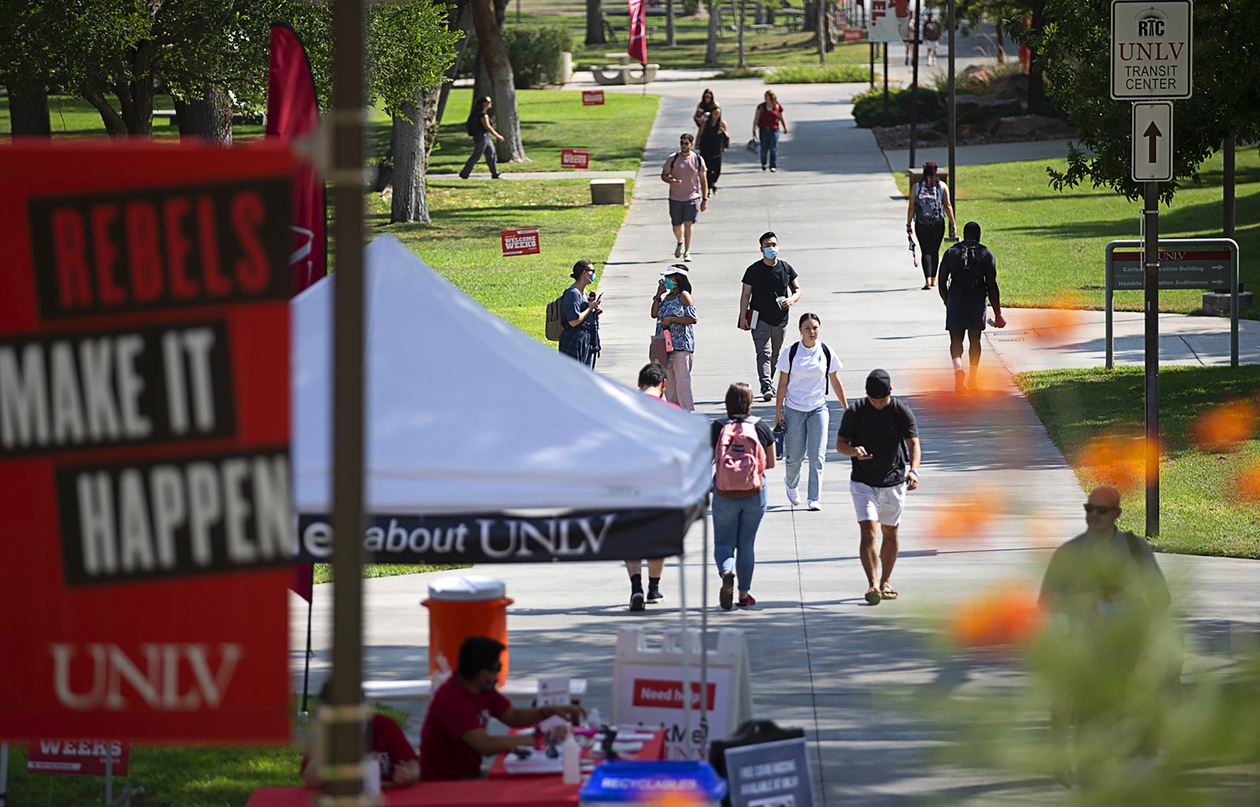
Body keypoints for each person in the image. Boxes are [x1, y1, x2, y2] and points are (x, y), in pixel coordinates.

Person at [1038, 486, 1177, 788]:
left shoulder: (1137, 551)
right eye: (1090, 509)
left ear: (1117, 514)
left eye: (1102, 510)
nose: (1094, 516)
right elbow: (1046, 604)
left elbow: (1160, 599)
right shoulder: (1070, 553)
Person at [419, 636, 585, 781]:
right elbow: (486, 745)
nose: (498, 675)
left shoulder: (479, 689)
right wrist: (540, 739)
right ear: (483, 673)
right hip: (445, 783)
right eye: (497, 668)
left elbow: (513, 716)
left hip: (466, 775)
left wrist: (549, 710)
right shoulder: (452, 700)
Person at [835, 369, 920, 605]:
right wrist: (854, 451)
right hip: (863, 481)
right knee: (868, 531)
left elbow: (913, 444)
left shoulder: (899, 411)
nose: (878, 404)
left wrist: (913, 470)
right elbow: (840, 444)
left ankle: (886, 581)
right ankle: (872, 584)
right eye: (873, 400)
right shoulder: (856, 411)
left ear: (890, 393)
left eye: (881, 400)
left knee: (890, 533)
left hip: (893, 480)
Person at [710, 382, 776, 610]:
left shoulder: (718, 427)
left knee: (724, 543)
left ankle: (726, 572)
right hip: (754, 493)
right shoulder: (761, 427)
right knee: (746, 543)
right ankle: (743, 595)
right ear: (749, 403)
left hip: (724, 492)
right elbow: (772, 463)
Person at [774, 313, 847, 511]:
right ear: (800, 330)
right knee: (795, 457)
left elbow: (835, 381)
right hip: (794, 409)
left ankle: (814, 498)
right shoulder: (791, 352)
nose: (811, 332)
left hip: (818, 408)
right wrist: (778, 411)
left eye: (815, 327)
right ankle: (791, 483)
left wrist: (846, 407)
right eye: (807, 328)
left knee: (817, 456)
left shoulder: (825, 351)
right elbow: (782, 383)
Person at [625, 363, 675, 611]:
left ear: (638, 384)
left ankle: (636, 587)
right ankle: (654, 588)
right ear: (664, 386)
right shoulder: (673, 412)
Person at [301, 684, 420, 787]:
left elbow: (414, 766)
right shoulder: (324, 734)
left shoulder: (384, 726)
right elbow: (312, 779)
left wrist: (408, 773)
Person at [938, 221, 1006, 393]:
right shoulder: (986, 254)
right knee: (975, 340)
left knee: (955, 340)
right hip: (977, 302)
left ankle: (958, 369)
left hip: (955, 300)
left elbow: (941, 281)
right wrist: (998, 314)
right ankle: (973, 380)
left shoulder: (951, 252)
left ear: (964, 233)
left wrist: (947, 301)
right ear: (979, 236)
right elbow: (992, 286)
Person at [738, 231, 802, 402]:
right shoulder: (753, 270)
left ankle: (770, 382)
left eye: (773, 245)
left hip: (780, 318)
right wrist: (742, 316)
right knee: (763, 352)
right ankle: (766, 385)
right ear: (761, 249)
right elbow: (745, 294)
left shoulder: (786, 268)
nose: (771, 248)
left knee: (776, 353)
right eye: (767, 246)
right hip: (759, 318)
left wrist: (791, 300)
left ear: (778, 246)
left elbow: (797, 289)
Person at [652, 265, 698, 411]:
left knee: (682, 381)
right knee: (669, 383)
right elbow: (654, 314)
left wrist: (672, 319)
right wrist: (658, 295)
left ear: (678, 279)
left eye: (670, 277)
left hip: (680, 345)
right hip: (664, 346)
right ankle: (674, 410)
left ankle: (686, 410)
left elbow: (692, 318)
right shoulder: (667, 298)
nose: (666, 280)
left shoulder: (684, 296)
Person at [907, 161, 956, 290]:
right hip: (938, 223)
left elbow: (911, 207)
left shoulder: (916, 187)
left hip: (921, 223)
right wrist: (953, 223)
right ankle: (934, 279)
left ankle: (927, 279)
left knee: (925, 251)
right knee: (935, 250)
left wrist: (908, 224)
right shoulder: (942, 186)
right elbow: (947, 206)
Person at [660, 133, 709, 262]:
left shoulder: (697, 159)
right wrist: (671, 181)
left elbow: (703, 180)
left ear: (691, 145)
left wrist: (704, 199)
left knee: (689, 224)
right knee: (676, 225)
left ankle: (687, 252)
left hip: (692, 197)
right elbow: (664, 175)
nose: (683, 146)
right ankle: (679, 241)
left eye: (686, 143)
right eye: (681, 143)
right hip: (675, 198)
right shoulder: (673, 158)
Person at [558, 259, 602, 368]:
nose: (594, 274)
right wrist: (590, 308)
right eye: (592, 271)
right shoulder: (573, 293)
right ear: (584, 273)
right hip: (575, 341)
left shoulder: (584, 292)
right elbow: (573, 321)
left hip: (587, 339)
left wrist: (594, 311)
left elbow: (585, 315)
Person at [459, 96, 504, 180]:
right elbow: (488, 127)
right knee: (477, 155)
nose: (491, 103)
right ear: (484, 103)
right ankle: (464, 173)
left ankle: (495, 173)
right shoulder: (483, 115)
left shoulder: (478, 113)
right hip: (482, 137)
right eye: (489, 101)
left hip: (485, 137)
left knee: (491, 153)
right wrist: (498, 136)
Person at [752, 90, 787, 172]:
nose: (765, 98)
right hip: (763, 130)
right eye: (765, 96)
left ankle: (773, 165)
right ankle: (763, 163)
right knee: (764, 148)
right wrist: (754, 128)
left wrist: (785, 127)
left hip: (774, 130)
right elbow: (756, 118)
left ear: (771, 97)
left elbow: (781, 118)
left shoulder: (777, 107)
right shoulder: (761, 107)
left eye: (767, 96)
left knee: (773, 148)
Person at [697, 106, 729, 195]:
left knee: (717, 169)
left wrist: (725, 145)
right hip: (706, 148)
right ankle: (709, 187)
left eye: (718, 114)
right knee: (707, 168)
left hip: (717, 149)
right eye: (715, 113)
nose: (716, 116)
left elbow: (727, 137)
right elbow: (700, 133)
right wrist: (697, 143)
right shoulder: (706, 123)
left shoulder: (722, 124)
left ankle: (714, 182)